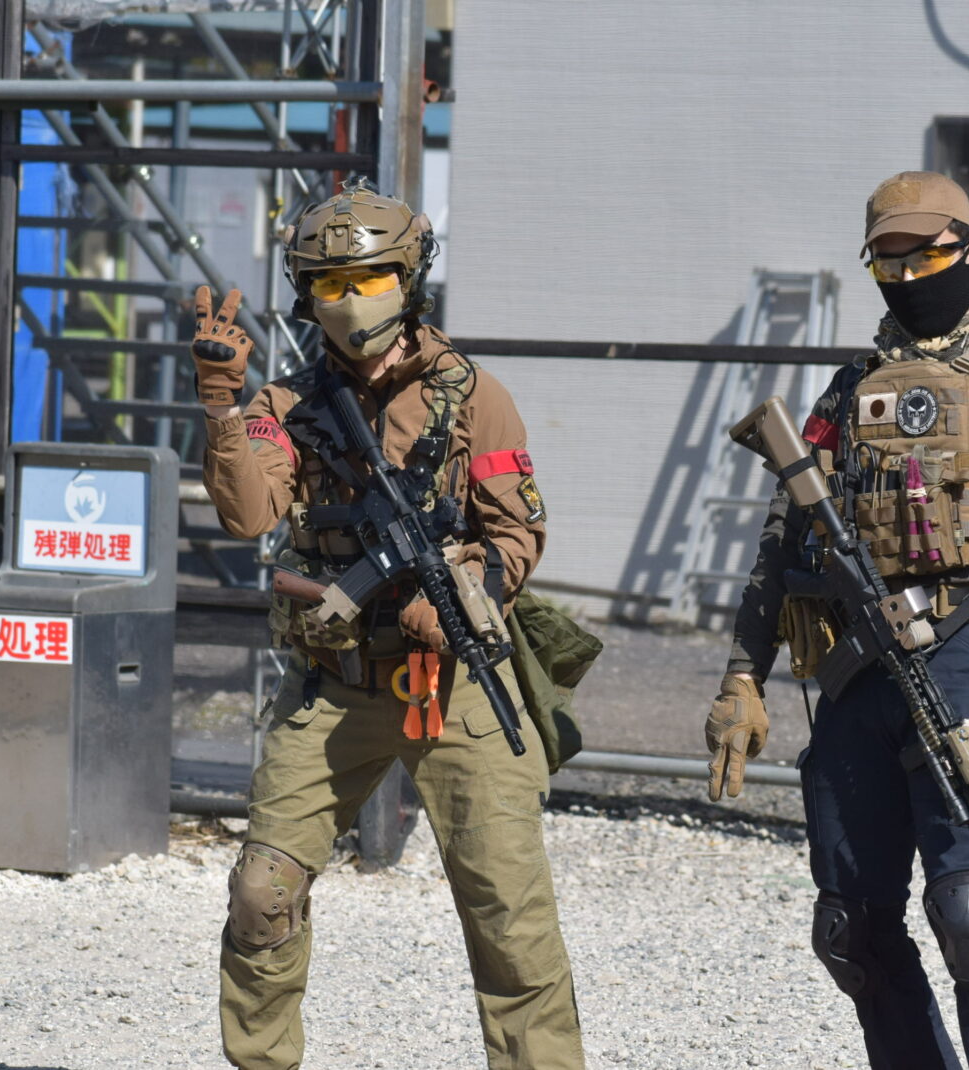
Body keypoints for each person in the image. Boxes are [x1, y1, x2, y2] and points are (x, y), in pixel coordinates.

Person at [703, 171, 969, 1070]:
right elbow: (783, 536)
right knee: (849, 928)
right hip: (856, 669)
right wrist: (743, 674)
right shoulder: (849, 390)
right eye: (887, 263)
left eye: (926, 257)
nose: (906, 278)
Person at [195, 179, 584, 1070]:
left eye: (370, 278)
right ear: (306, 296)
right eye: (330, 285)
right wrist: (222, 408)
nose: (351, 300)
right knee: (261, 893)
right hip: (335, 684)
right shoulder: (284, 406)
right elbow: (249, 515)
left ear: (409, 279)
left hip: (459, 689)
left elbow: (518, 533)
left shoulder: (474, 397)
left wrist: (461, 594)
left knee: (510, 919)